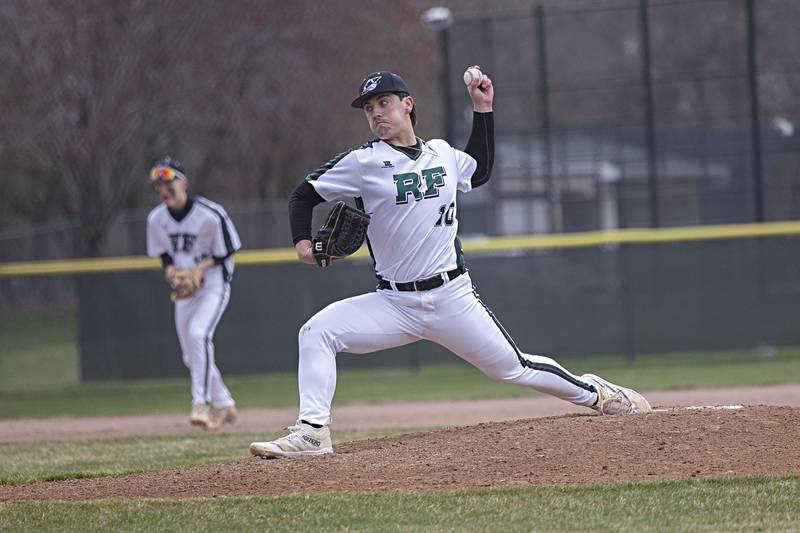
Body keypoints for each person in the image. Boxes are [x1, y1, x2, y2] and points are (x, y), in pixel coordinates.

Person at [250, 68, 651, 458]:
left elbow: (480, 169)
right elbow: (303, 195)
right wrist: (303, 243)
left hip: (451, 296)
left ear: (407, 104)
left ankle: (599, 394)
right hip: (393, 304)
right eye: (368, 107)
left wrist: (483, 110)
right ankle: (312, 433)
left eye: (383, 102)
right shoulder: (363, 162)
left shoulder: (441, 153)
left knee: (514, 368)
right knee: (317, 332)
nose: (375, 113)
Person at [146, 156, 241, 430]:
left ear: (184, 182)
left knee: (200, 334)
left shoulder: (210, 214)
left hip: (213, 284)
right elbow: (164, 253)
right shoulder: (156, 219)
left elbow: (229, 250)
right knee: (191, 355)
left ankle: (201, 403)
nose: (164, 190)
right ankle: (225, 404)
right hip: (185, 290)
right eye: (159, 185)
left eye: (168, 182)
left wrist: (201, 269)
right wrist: (170, 269)